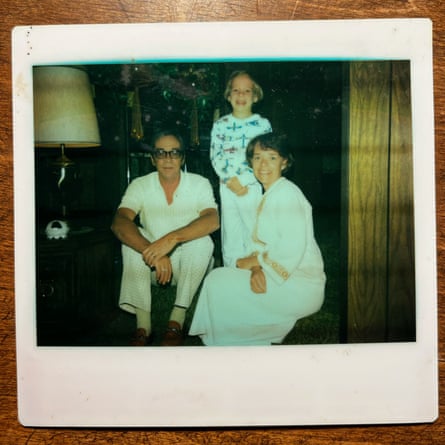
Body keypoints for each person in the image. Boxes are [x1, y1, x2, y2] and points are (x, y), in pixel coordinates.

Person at [189, 133, 326, 346]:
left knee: (218, 283)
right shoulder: (270, 194)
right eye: (257, 157)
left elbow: (290, 249)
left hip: (299, 284)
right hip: (276, 274)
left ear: (285, 162)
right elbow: (261, 244)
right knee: (218, 280)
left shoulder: (288, 194)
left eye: (272, 157)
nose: (263, 165)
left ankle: (230, 344)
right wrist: (255, 269)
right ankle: (228, 342)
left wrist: (253, 263)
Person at [111, 129, 219, 346]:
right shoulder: (140, 185)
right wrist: (154, 251)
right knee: (130, 242)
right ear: (153, 159)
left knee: (203, 241)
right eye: (161, 153)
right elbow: (119, 222)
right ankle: (143, 327)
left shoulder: (199, 183)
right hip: (150, 264)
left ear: (183, 158)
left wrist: (170, 240)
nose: (168, 159)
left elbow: (212, 220)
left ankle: (176, 321)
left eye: (174, 153)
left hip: (190, 266)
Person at [210, 70, 272, 267]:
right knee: (231, 232)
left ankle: (256, 269)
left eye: (247, 91)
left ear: (255, 96)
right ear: (229, 96)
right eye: (236, 90)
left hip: (251, 186)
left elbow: (266, 158)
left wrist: (244, 180)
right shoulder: (221, 125)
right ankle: (231, 271)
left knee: (254, 230)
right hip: (227, 186)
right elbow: (215, 154)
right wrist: (230, 180)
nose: (241, 95)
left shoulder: (262, 125)